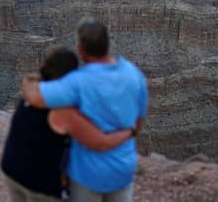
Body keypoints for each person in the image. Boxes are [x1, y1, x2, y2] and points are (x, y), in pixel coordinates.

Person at [22, 17, 148, 202]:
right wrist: (128, 133)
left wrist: (28, 80)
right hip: (123, 168)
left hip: (87, 174)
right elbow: (139, 122)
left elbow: (34, 97)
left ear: (81, 49)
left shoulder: (77, 82)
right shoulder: (134, 74)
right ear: (108, 44)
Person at [1, 46, 134, 202]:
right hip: (38, 185)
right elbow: (101, 142)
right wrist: (128, 132)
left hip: (11, 170)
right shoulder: (62, 109)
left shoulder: (32, 90)